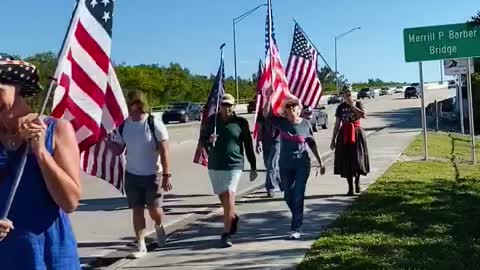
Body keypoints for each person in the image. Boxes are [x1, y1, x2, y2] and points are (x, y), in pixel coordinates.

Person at [0, 54, 81, 269]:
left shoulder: (57, 129)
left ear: (16, 86)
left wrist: (41, 152)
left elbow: (70, 201)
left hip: (47, 252)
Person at [108, 90, 172, 258]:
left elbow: (165, 151)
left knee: (154, 209)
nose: (129, 107)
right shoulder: (125, 125)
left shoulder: (153, 123)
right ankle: (141, 245)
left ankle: (159, 226)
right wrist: (108, 142)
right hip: (132, 175)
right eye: (128, 104)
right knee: (137, 210)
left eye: (132, 103)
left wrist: (166, 175)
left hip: (153, 174)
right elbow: (119, 150)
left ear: (139, 104)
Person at [201, 94, 257, 248]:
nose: (227, 108)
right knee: (224, 199)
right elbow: (202, 141)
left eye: (230, 105)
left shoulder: (240, 122)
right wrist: (208, 141)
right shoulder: (212, 121)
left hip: (234, 164)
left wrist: (253, 166)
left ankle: (226, 233)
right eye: (224, 105)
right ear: (220, 106)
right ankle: (232, 217)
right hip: (215, 165)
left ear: (234, 106)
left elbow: (248, 145)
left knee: (230, 195)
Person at [266, 95, 325, 240]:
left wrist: (320, 162)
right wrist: (268, 97)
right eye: (288, 111)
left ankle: (296, 228)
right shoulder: (282, 123)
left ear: (298, 110)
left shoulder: (305, 124)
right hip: (285, 165)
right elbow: (267, 115)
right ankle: (298, 216)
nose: (291, 114)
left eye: (294, 110)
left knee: (298, 195)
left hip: (302, 164)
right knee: (288, 195)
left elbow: (311, 143)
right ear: (285, 112)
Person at [330, 88, 370, 196]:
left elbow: (364, 115)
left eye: (349, 94)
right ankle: (350, 187)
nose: (347, 96)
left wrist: (352, 106)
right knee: (346, 160)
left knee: (357, 159)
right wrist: (333, 139)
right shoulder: (340, 107)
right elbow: (337, 124)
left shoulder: (358, 103)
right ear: (342, 96)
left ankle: (357, 182)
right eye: (345, 94)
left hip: (356, 133)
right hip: (344, 134)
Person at [255, 109, 281, 198]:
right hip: (265, 140)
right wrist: (258, 141)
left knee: (272, 165)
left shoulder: (279, 110)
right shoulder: (262, 111)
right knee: (268, 164)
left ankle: (270, 188)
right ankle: (282, 183)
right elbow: (259, 127)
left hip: (277, 140)